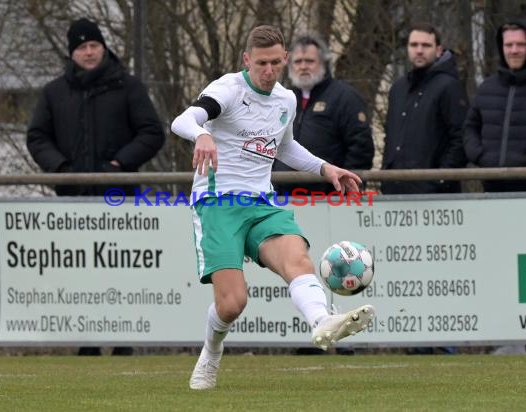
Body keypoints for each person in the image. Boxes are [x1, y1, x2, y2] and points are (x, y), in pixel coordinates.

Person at [171, 25, 375, 390]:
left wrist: (325, 169)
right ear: (247, 60)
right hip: (218, 204)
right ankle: (211, 353)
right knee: (233, 304)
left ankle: (321, 322)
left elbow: (285, 147)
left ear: (283, 60)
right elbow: (183, 120)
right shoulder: (228, 90)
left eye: (275, 63)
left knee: (297, 257)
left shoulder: (285, 100)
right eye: (261, 63)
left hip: (262, 202)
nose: (268, 70)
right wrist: (201, 134)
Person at [27, 18, 166, 356]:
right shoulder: (53, 92)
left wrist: (119, 163)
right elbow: (36, 137)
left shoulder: (129, 87)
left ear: (104, 48)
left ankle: (123, 342)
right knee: (79, 272)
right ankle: (87, 342)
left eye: (94, 46)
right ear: (71, 52)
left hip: (119, 201)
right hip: (73, 202)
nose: (89, 52)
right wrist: (60, 168)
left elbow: (152, 132)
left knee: (121, 269)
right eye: (81, 47)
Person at [273, 33, 374, 194]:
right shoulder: (283, 98)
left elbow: (360, 147)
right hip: (283, 195)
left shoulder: (345, 97)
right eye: (298, 61)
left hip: (327, 197)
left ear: (323, 64)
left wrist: (345, 187)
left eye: (310, 61)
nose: (303, 66)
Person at [381, 22, 468, 195]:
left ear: (438, 50)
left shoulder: (449, 87)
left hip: (435, 195)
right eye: (414, 45)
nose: (419, 50)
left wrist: (440, 179)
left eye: (426, 45)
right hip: (395, 190)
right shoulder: (398, 88)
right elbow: (390, 136)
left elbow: (461, 139)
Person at [464, 19, 526, 193]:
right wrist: (480, 156)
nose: (514, 50)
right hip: (491, 189)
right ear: (502, 47)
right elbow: (470, 127)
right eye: (509, 45)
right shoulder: (487, 87)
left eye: (521, 44)